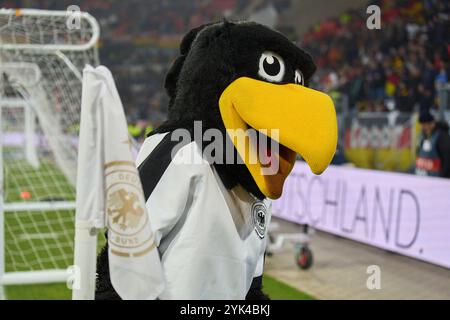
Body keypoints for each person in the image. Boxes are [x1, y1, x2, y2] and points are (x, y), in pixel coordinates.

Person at [415, 110, 450, 178]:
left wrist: (443, 176)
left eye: (426, 124)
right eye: (422, 125)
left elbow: (447, 158)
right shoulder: (422, 136)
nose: (424, 127)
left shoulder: (442, 137)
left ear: (433, 123)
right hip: (422, 175)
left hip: (437, 178)